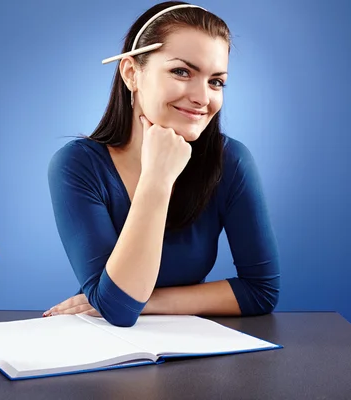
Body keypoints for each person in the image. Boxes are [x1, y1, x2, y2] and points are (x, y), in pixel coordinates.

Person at [44, 1, 280, 327]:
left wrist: (146, 302)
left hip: (191, 353)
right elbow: (118, 312)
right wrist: (157, 177)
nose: (202, 97)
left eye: (216, 81)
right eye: (182, 72)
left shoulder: (231, 161)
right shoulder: (77, 165)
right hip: (103, 347)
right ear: (131, 73)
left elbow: (260, 291)